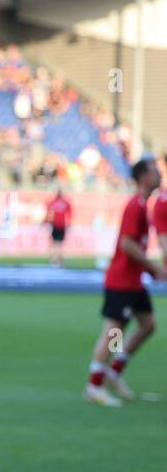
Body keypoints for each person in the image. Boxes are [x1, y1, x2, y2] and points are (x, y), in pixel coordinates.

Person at [84, 158, 165, 407]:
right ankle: (95, 385)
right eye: (154, 171)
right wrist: (152, 266)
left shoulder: (143, 205)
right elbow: (127, 244)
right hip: (122, 280)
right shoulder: (134, 206)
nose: (159, 175)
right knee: (114, 330)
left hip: (134, 281)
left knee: (147, 324)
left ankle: (113, 371)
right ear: (142, 177)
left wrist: (149, 270)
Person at [45, 185, 72, 268]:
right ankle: (58, 260)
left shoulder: (53, 202)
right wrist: (68, 223)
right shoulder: (65, 202)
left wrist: (46, 222)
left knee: (55, 244)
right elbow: (70, 214)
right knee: (59, 244)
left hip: (55, 225)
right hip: (60, 225)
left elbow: (48, 214)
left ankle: (54, 260)